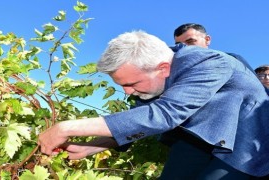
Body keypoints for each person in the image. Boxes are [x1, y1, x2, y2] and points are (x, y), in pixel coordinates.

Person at [38, 31, 269, 179]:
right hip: (196, 138)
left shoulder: (211, 62)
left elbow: (164, 114)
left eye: (131, 83)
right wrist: (93, 146)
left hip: (245, 143)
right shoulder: (151, 79)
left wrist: (65, 128)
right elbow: (139, 118)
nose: (127, 92)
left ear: (163, 68)